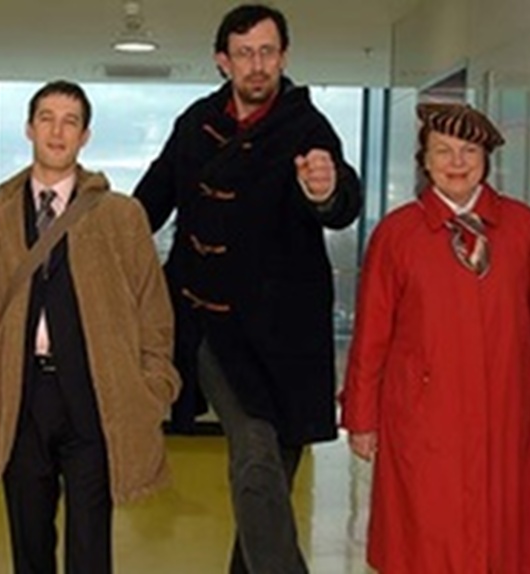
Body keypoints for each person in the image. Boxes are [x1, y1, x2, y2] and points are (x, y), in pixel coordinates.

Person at [132, 4, 363, 572]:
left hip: (287, 336)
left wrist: (325, 190)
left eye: (267, 52)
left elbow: (340, 201)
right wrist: (95, 238)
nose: (256, 65)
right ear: (223, 61)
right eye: (244, 54)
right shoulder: (195, 123)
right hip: (211, 325)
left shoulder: (309, 127)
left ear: (283, 56)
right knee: (257, 457)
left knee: (269, 480)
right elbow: (146, 205)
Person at [0, 80, 180, 574]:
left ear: (85, 136)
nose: (57, 132)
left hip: (96, 394)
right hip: (19, 393)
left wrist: (154, 383)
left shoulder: (120, 216)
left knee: (90, 544)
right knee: (29, 541)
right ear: (29, 128)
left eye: (70, 122)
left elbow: (152, 309)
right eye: (47, 119)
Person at [340, 103, 530, 573]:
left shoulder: (524, 229)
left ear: (487, 159)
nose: (457, 162)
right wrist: (361, 417)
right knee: (428, 538)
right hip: (423, 419)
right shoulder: (397, 235)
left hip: (510, 413)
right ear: (424, 161)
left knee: (506, 536)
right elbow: (371, 337)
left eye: (469, 150)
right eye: (443, 151)